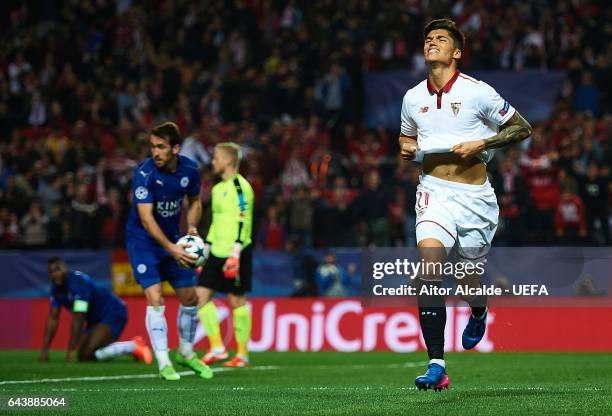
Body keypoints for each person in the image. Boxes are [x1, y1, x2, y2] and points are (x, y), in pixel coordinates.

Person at [399, 19, 532, 390]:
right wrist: (404, 146)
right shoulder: (412, 97)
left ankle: (478, 309)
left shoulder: (478, 93)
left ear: (456, 52)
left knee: (466, 278)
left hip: (475, 199)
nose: (432, 43)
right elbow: (406, 136)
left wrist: (482, 144)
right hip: (434, 192)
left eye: (441, 39)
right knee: (429, 271)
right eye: (428, 39)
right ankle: (437, 365)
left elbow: (523, 128)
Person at [125, 121, 213, 381]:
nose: (155, 152)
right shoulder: (144, 174)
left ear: (176, 148)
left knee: (190, 298)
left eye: (161, 147)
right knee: (155, 298)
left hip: (174, 238)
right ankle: (164, 362)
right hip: (143, 241)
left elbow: (195, 201)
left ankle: (185, 352)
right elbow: (146, 220)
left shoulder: (190, 170)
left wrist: (193, 226)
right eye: (152, 147)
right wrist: (172, 248)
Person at [197, 142, 254, 368]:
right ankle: (217, 348)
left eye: (216, 158)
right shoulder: (217, 188)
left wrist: (236, 251)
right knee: (201, 296)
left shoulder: (242, 187)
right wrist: (207, 248)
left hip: (235, 251)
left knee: (236, 299)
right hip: (216, 250)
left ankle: (242, 354)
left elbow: (244, 220)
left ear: (229, 160)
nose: (213, 162)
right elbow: (215, 221)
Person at [40, 257, 152, 364]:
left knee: (88, 353)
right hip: (94, 321)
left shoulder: (78, 283)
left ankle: (132, 346)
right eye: (51, 271)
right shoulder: (56, 289)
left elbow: (79, 318)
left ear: (65, 269)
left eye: (57, 270)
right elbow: (52, 319)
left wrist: (71, 350)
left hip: (113, 311)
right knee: (83, 356)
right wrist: (45, 349)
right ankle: (128, 348)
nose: (54, 274)